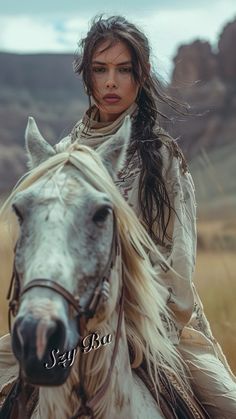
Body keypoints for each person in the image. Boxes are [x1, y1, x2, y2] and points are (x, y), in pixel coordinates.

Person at [0, 14, 236, 418]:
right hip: (68, 321)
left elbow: (178, 275)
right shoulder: (61, 156)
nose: (111, 82)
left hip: (158, 330)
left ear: (140, 77)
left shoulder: (162, 158)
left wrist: (133, 331)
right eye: (100, 69)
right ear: (87, 77)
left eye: (124, 70)